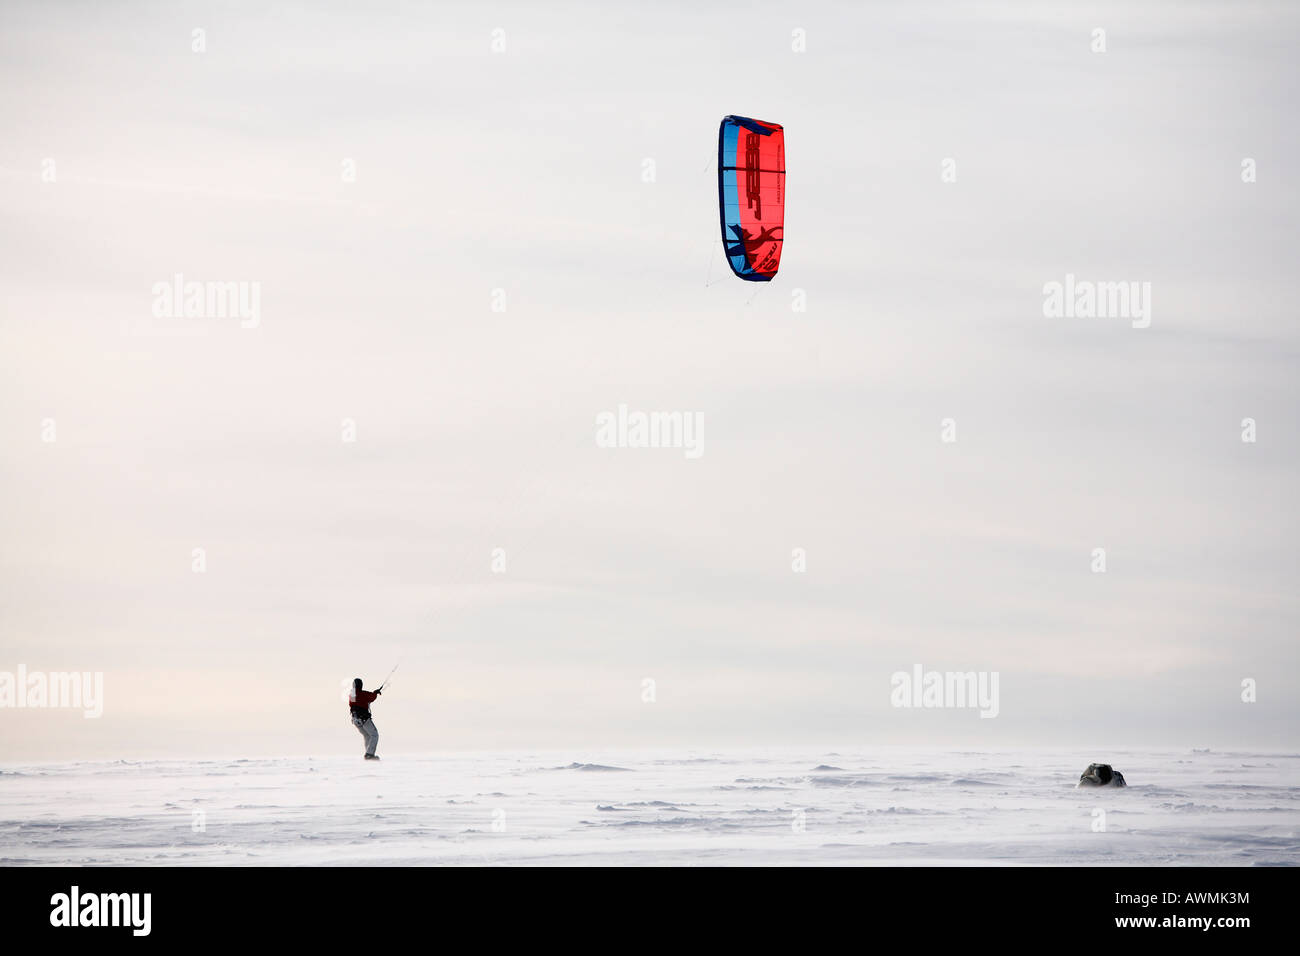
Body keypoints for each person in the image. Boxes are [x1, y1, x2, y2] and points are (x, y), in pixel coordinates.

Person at [348, 677, 381, 760]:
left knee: (367, 735)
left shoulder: (352, 695)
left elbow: (366, 697)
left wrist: (374, 693)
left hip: (355, 720)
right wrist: (375, 693)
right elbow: (371, 697)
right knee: (374, 735)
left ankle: (368, 754)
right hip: (364, 719)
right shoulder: (363, 694)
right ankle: (369, 754)